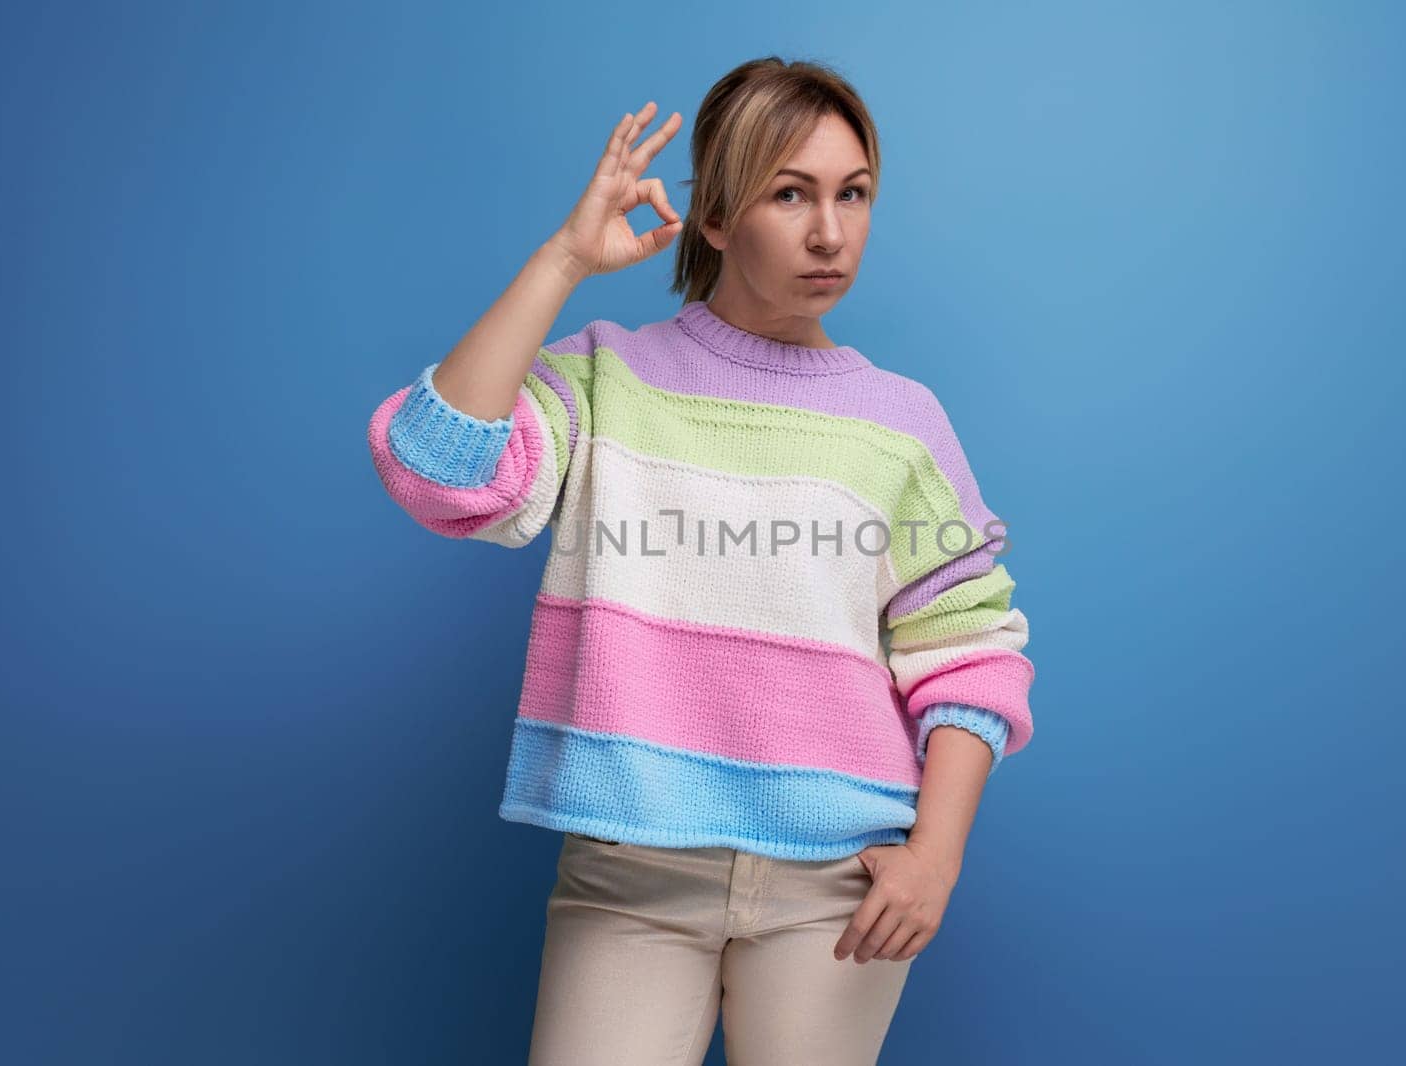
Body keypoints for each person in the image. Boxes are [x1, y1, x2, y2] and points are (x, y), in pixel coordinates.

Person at [366, 56, 1035, 1066]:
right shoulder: (603, 378)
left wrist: (933, 858)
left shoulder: (901, 425)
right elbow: (436, 471)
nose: (830, 231)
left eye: (852, 194)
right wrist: (561, 263)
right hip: (629, 873)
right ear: (716, 217)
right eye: (789, 194)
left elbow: (970, 651)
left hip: (835, 887)